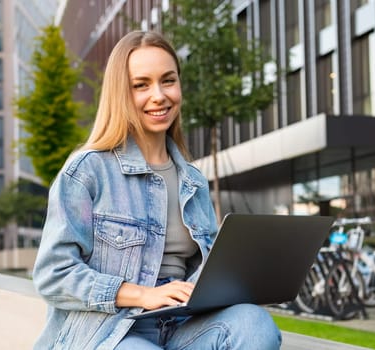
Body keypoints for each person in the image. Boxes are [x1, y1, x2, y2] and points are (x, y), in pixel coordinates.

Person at [32, 30, 282, 349]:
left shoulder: (193, 180)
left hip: (180, 324)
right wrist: (142, 294)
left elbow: (203, 273)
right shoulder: (88, 170)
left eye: (168, 80)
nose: (159, 95)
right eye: (141, 85)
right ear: (120, 93)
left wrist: (240, 280)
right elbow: (53, 274)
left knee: (254, 323)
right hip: (108, 331)